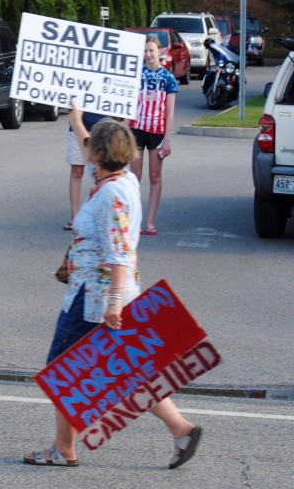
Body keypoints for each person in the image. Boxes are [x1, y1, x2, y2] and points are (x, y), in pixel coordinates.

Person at [24, 104, 201, 469]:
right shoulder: (122, 180)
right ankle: (181, 428)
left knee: (62, 370)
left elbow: (119, 252)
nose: (87, 152)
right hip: (103, 296)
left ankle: (63, 450)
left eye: (92, 149)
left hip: (96, 300)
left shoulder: (111, 195)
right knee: (126, 370)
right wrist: (76, 119)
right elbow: (90, 142)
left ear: (100, 156)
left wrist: (114, 304)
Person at [129, 36, 178, 235]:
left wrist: (167, 139)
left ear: (159, 51)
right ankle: (135, 220)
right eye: (145, 51)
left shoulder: (168, 78)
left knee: (155, 176)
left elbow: (170, 112)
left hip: (157, 131)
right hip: (137, 128)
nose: (148, 55)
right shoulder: (136, 75)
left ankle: (150, 222)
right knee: (135, 176)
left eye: (151, 50)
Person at [64, 111, 104, 231]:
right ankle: (75, 217)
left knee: (102, 173)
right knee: (76, 170)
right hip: (78, 125)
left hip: (103, 128)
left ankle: (102, 216)